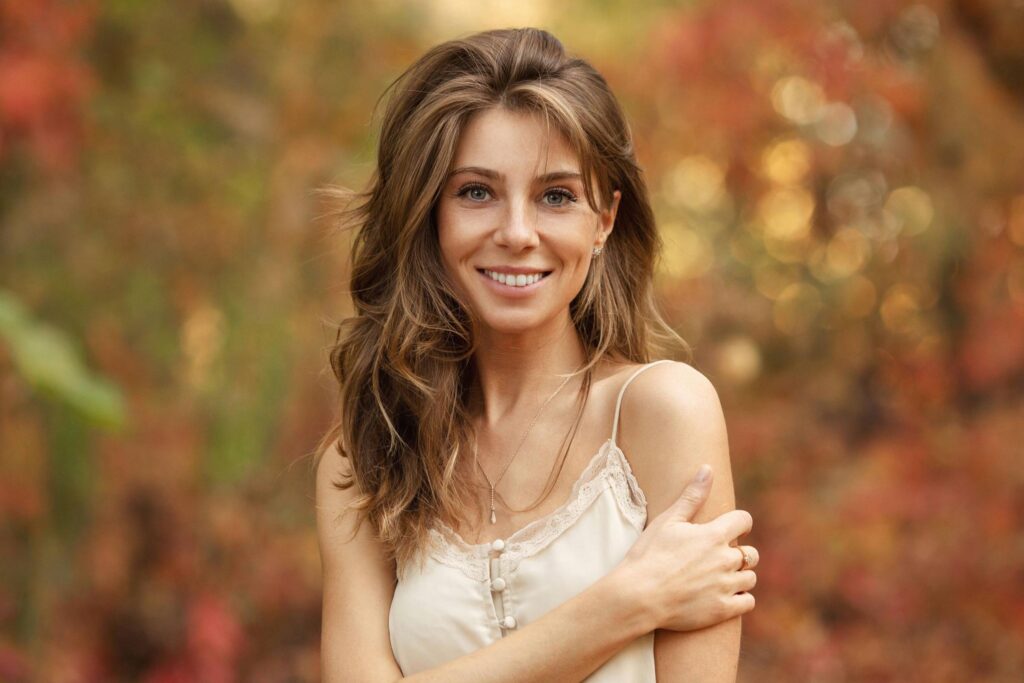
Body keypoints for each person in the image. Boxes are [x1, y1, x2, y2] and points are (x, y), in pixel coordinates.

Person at [315, 27, 758, 682]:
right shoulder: (364, 457)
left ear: (604, 219)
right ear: (429, 214)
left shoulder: (663, 411)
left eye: (556, 196)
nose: (517, 233)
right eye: (476, 192)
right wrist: (623, 604)